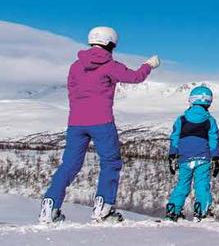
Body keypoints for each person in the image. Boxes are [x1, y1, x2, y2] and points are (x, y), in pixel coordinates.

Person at [39, 26, 160, 223]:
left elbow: (71, 90)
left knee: (69, 165)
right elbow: (135, 77)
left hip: (76, 122)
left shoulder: (75, 66)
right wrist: (149, 65)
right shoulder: (111, 65)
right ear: (111, 43)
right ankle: (103, 210)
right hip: (102, 121)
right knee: (110, 163)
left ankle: (49, 206)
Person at [164, 86, 219, 222]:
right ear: (209, 102)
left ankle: (173, 211)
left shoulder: (181, 120)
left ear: (192, 100)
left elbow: (175, 138)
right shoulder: (209, 120)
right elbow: (214, 140)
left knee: (182, 184)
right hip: (203, 159)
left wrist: (172, 154)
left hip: (184, 159)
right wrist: (216, 157)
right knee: (201, 185)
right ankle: (202, 211)